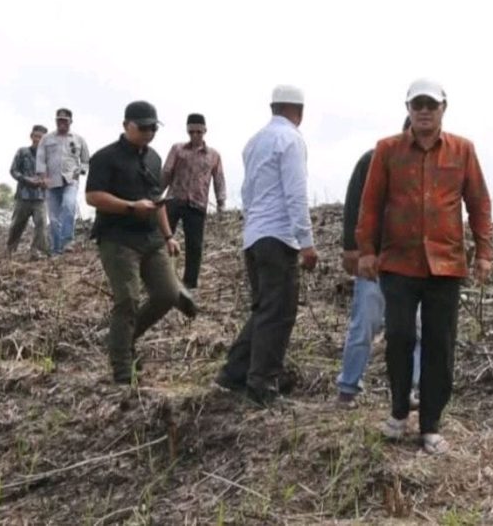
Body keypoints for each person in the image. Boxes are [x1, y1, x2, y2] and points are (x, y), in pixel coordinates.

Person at [356, 78, 493, 454]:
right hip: (398, 263)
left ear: (443, 109)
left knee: (440, 345)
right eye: (418, 105)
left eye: (431, 105)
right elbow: (370, 204)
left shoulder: (462, 151)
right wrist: (366, 250)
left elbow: (479, 202)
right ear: (408, 110)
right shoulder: (387, 150)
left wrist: (483, 252)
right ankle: (400, 411)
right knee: (399, 337)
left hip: (446, 265)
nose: (425, 111)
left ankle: (431, 423)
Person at [215, 85, 318, 405]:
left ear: (273, 107)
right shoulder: (291, 140)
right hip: (278, 237)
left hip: (255, 236)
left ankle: (234, 374)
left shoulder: (255, 142)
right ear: (298, 112)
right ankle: (262, 385)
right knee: (280, 311)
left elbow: (247, 192)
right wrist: (307, 243)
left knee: (264, 308)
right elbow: (296, 193)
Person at [86, 101, 197, 384]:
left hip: (152, 239)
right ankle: (123, 373)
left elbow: (158, 198)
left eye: (153, 127)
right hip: (118, 240)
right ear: (127, 126)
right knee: (128, 301)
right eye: (144, 127)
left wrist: (169, 235)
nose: (149, 132)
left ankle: (123, 340)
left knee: (167, 295)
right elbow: (93, 196)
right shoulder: (104, 158)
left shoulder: (154, 158)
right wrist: (129, 206)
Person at [336, 117, 422, 409]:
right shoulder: (373, 159)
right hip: (376, 261)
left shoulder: (431, 168)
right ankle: (347, 388)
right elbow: (354, 203)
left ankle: (410, 389)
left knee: (416, 330)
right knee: (364, 326)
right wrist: (351, 248)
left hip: (414, 265)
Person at [161, 113, 226, 289]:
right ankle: (160, 278)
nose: (195, 135)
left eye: (199, 131)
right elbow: (166, 172)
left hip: (197, 204)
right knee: (163, 239)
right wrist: (157, 194)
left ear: (205, 130)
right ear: (187, 131)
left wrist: (221, 204)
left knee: (194, 245)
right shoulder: (178, 149)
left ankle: (189, 283)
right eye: (192, 132)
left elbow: (219, 179)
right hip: (174, 199)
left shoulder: (213, 155)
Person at [36, 108, 90, 255]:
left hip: (70, 180)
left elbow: (85, 160)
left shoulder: (78, 139)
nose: (62, 123)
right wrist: (43, 176)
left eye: (65, 121)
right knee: (53, 219)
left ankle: (68, 240)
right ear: (56, 121)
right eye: (59, 120)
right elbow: (40, 159)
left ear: (70, 122)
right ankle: (56, 250)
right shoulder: (46, 139)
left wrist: (81, 171)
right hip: (51, 182)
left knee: (68, 205)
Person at [7, 125, 50, 258]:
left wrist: (46, 182)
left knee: (41, 224)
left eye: (41, 137)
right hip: (23, 196)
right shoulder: (22, 152)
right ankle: (10, 249)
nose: (38, 139)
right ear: (31, 136)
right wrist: (26, 180)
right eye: (36, 136)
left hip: (40, 197)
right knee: (17, 225)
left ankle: (35, 251)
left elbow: (53, 175)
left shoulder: (48, 156)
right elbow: (13, 170)